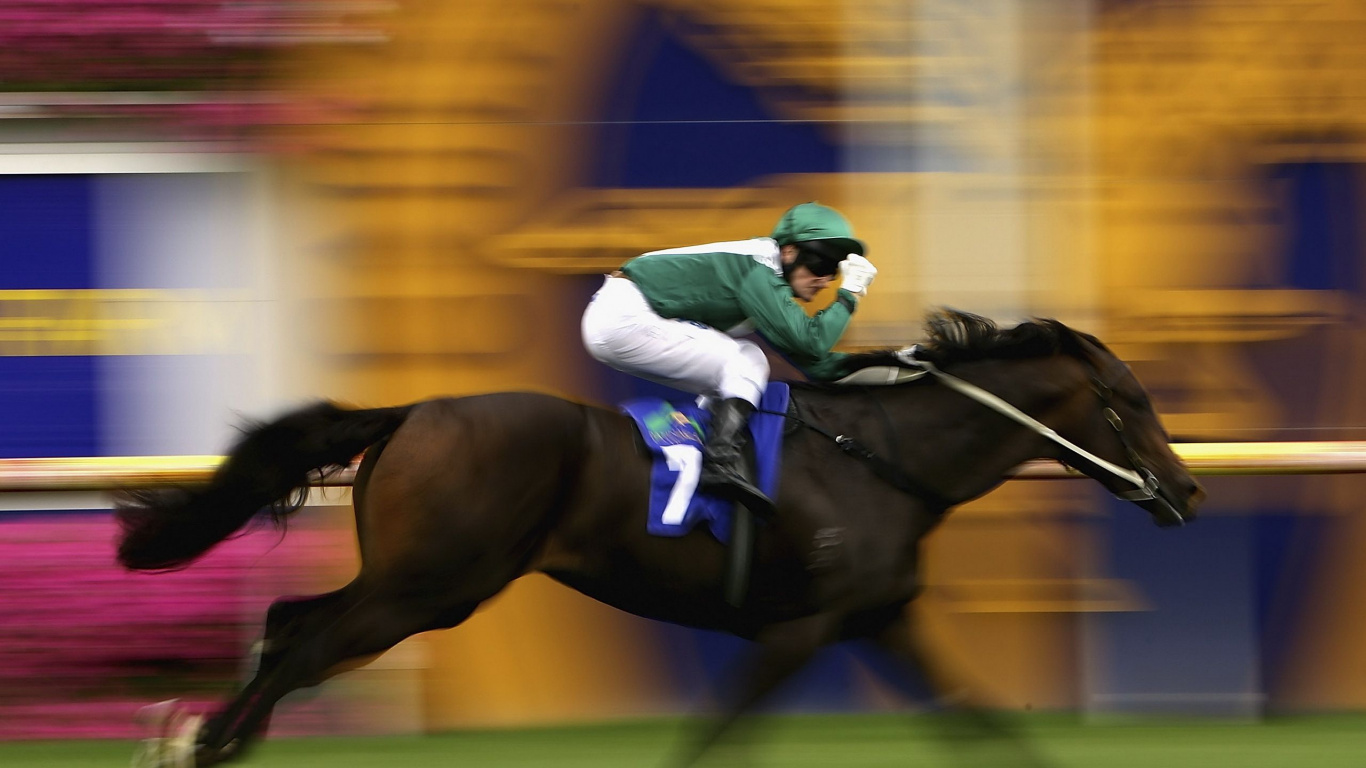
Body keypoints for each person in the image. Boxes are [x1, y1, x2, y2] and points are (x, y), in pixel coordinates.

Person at [581, 202, 877, 525]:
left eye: (835, 272)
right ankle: (719, 460)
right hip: (624, 317)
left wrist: (889, 361)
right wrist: (849, 294)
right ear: (790, 252)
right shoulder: (759, 271)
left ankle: (701, 454)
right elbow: (813, 341)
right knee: (746, 360)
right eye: (822, 265)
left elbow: (816, 364)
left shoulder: (764, 277)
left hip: (618, 315)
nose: (826, 280)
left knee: (735, 372)